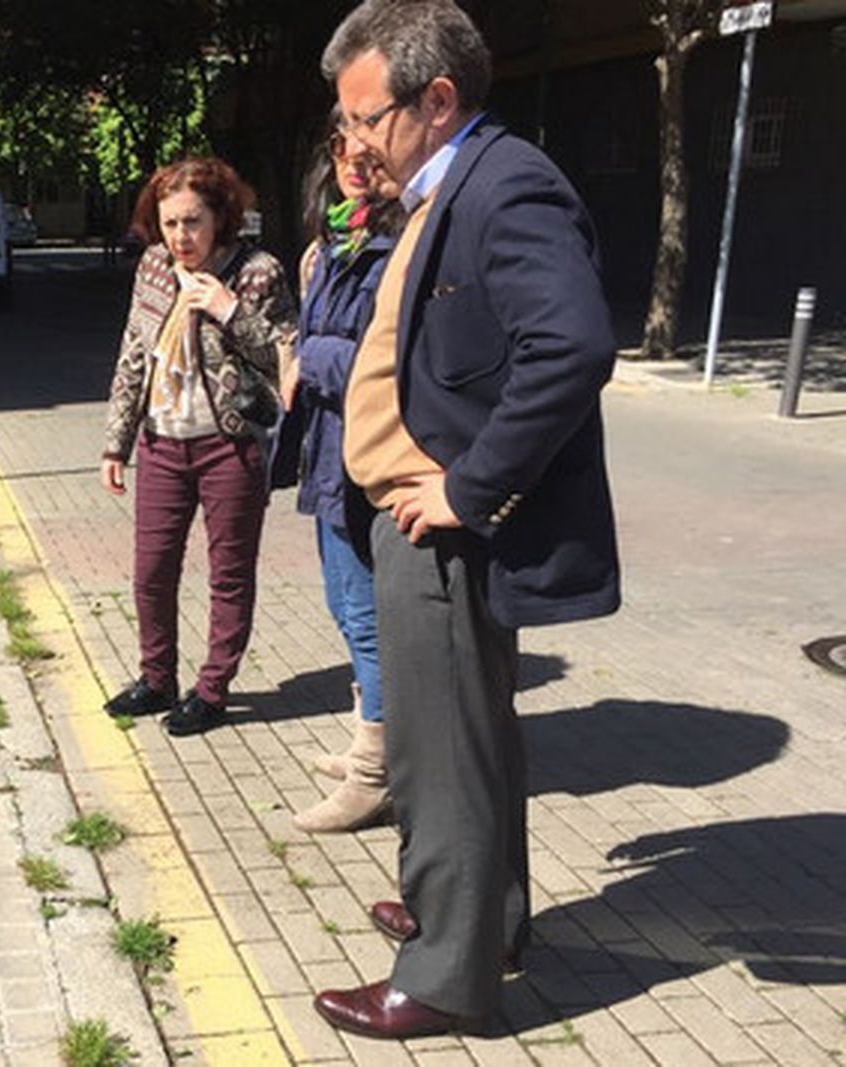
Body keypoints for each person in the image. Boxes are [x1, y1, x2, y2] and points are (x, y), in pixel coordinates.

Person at [311, 0, 620, 1039]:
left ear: (435, 101)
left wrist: (467, 486)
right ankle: (474, 917)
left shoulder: (505, 183)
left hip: (440, 525)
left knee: (436, 752)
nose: (352, 142)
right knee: (464, 740)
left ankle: (444, 974)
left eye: (365, 119)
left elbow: (570, 346)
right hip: (421, 517)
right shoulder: (450, 184)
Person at [100, 157, 296, 737]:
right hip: (163, 443)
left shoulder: (257, 272)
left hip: (229, 447)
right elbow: (134, 356)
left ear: (220, 218)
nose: (180, 237)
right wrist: (117, 443)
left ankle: (212, 690)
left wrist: (227, 310)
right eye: (169, 224)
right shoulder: (154, 269)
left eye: (192, 222)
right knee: (151, 571)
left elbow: (285, 357)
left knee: (229, 575)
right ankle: (156, 678)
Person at [282, 115, 406, 835]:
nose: (352, 160)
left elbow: (378, 359)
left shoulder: (395, 246)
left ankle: (376, 773)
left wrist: (309, 361)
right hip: (329, 447)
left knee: (366, 615)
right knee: (341, 603)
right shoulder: (338, 241)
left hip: (368, 453)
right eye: (339, 147)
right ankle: (370, 736)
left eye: (366, 146)